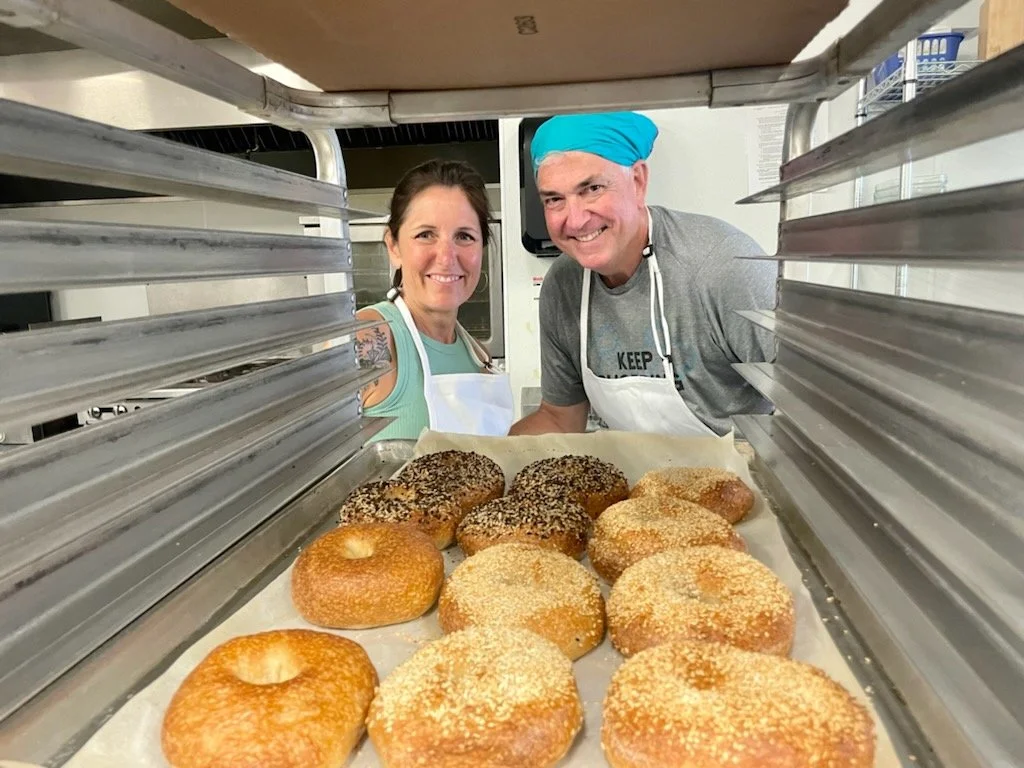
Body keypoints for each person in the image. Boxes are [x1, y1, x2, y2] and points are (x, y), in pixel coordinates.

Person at [508, 111, 776, 437]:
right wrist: (489, 454)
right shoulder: (563, 286)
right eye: (554, 199)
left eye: (592, 188)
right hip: (633, 469)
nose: (575, 220)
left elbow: (814, 408)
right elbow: (560, 419)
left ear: (637, 182)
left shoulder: (723, 266)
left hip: (740, 467)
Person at [355, 159, 514, 441]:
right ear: (394, 246)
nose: (446, 257)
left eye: (464, 236)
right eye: (426, 235)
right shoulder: (369, 336)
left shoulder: (478, 355)